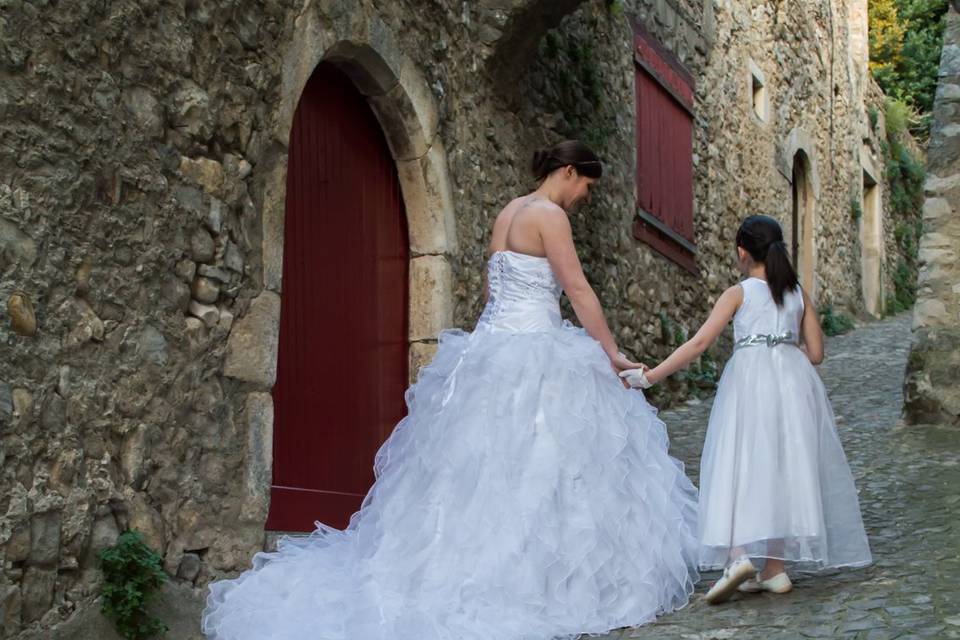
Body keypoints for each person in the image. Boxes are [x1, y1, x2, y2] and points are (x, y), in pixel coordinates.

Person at [201, 140, 700, 639]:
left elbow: (493, 293)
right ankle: (537, 584)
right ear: (569, 172)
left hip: (491, 346)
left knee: (478, 472)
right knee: (542, 463)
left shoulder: (508, 212)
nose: (584, 197)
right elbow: (579, 290)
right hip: (534, 348)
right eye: (586, 186)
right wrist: (610, 351)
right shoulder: (550, 216)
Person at [621, 214, 872, 604]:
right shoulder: (797, 293)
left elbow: (700, 344)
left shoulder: (737, 293)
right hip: (792, 381)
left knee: (738, 460)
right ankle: (774, 568)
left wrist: (652, 376)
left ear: (742, 252)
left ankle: (737, 556)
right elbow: (818, 354)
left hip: (749, 380)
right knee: (782, 465)